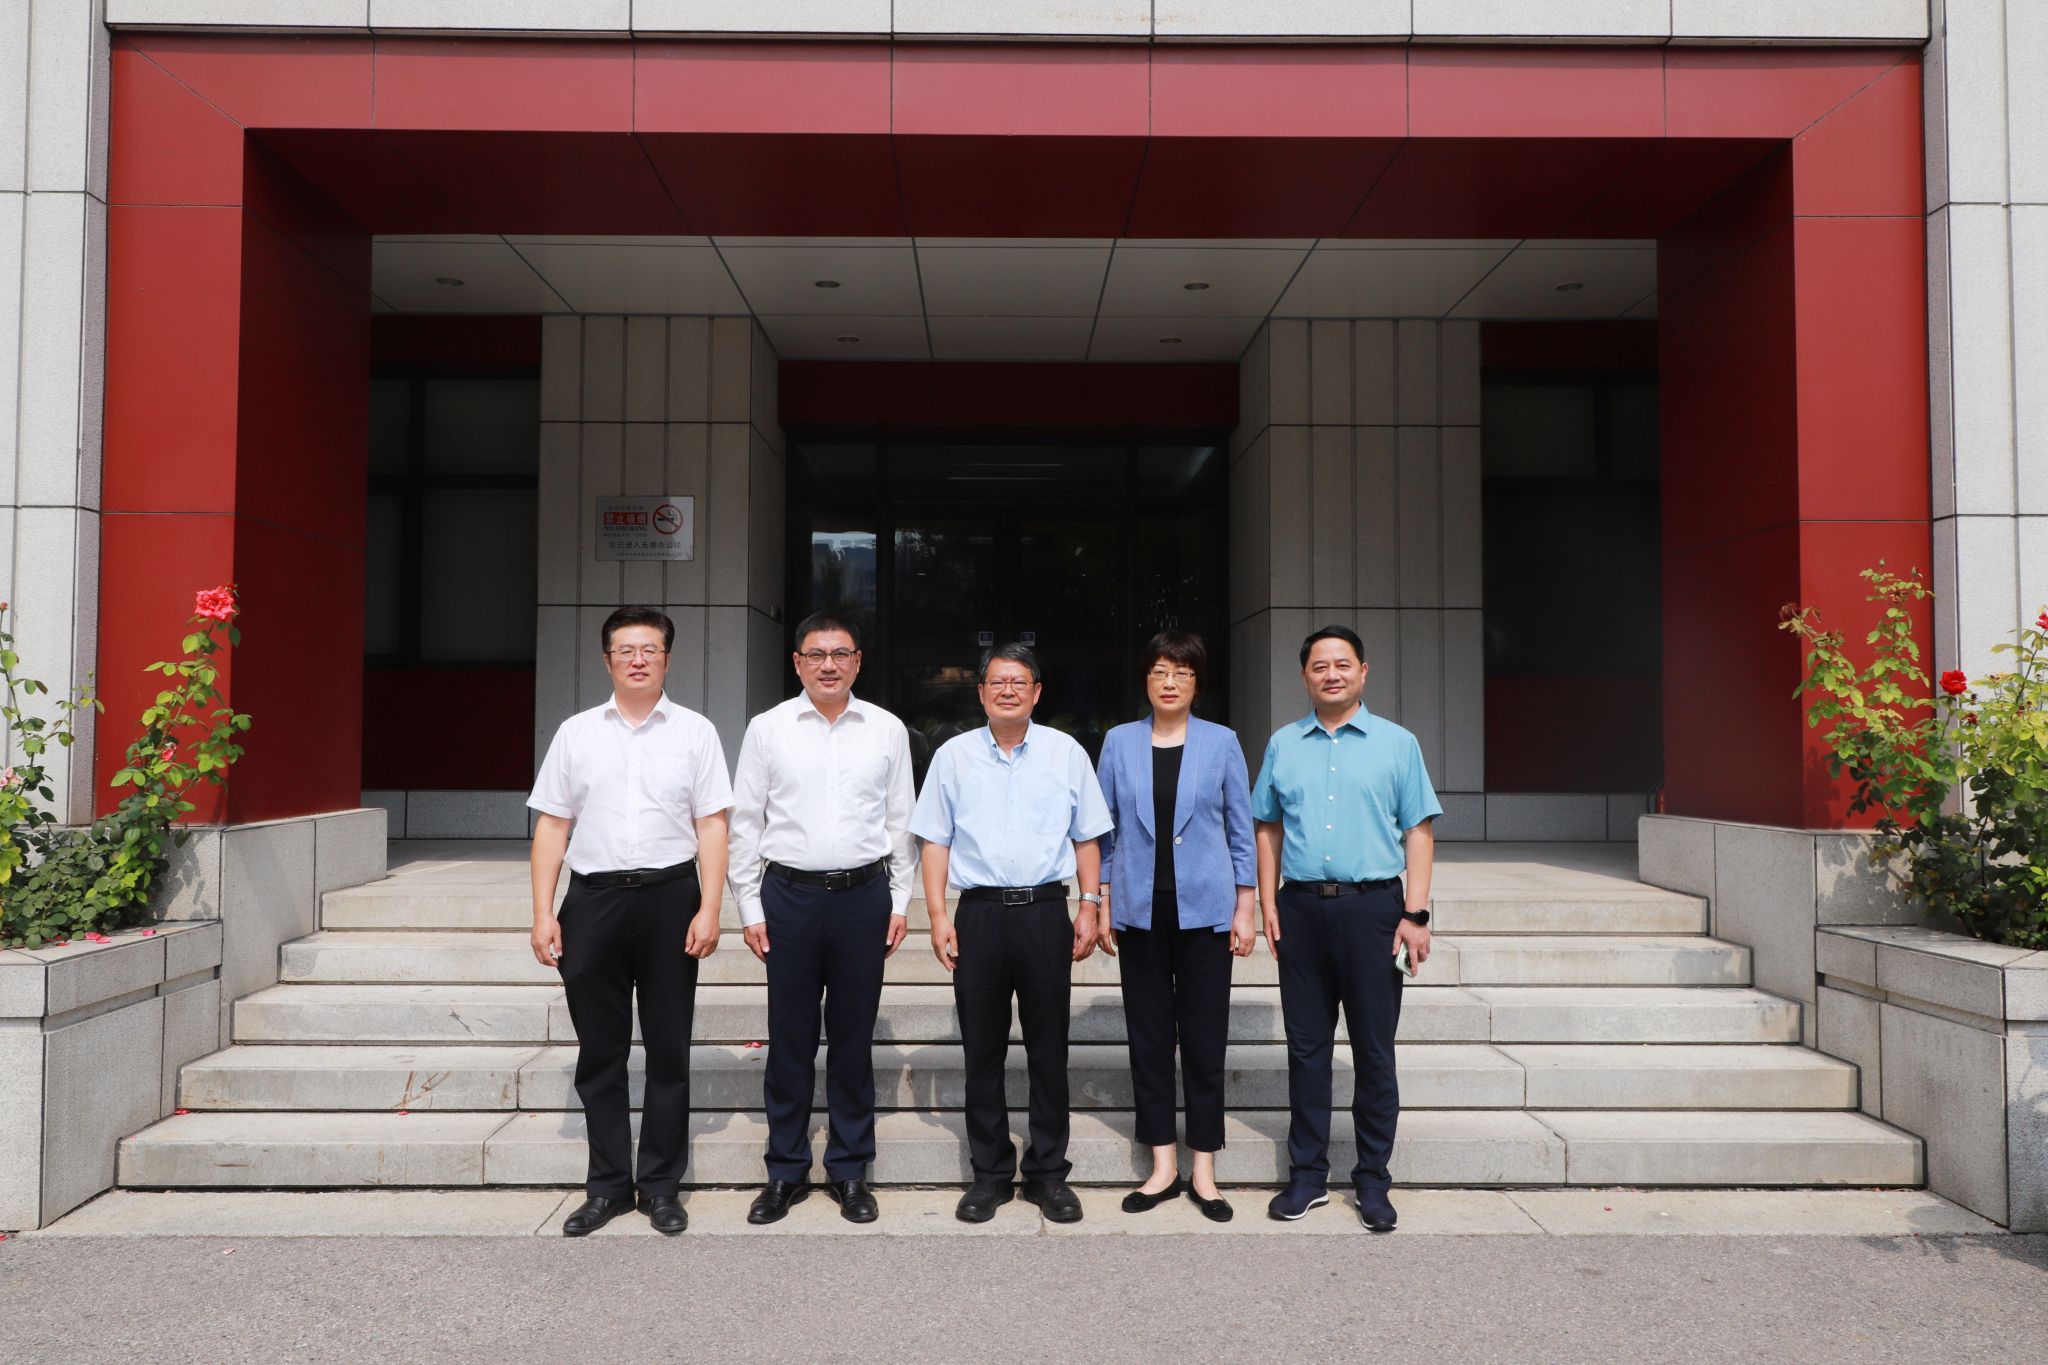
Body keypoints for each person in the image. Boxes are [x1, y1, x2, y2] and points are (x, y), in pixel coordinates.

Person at [527, 607, 732, 1237]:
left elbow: (712, 825)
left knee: (669, 1048)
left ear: (667, 658)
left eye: (649, 649)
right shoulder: (577, 733)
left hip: (671, 898)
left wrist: (710, 907)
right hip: (593, 902)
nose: (638, 659)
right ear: (607, 660)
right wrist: (542, 912)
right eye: (625, 650)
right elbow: (553, 825)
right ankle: (608, 1186)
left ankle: (662, 1186)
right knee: (600, 1052)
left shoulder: (696, 732)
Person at [910, 642, 1113, 1225]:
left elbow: (1087, 837)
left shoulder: (1065, 752)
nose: (1007, 690)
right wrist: (938, 915)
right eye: (997, 681)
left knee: (1049, 1048)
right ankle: (991, 1174)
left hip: (1045, 911)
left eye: (1019, 681)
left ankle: (1049, 1173)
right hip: (978, 914)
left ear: (1036, 692)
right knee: (983, 1050)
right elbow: (934, 840)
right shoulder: (952, 756)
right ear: (980, 692)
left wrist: (1089, 905)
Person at [1251, 624, 1440, 1232]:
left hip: (1373, 911)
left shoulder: (1397, 744)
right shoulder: (1284, 744)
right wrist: (1267, 901)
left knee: (1373, 1051)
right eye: (1319, 666)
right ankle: (1307, 1175)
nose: (1331, 674)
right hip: (1301, 910)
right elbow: (1267, 826)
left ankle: (1373, 1180)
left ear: (1363, 671)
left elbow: (1418, 831)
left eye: (1342, 664)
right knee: (1306, 1050)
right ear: (1304, 676)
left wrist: (1416, 914)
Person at [729, 613, 915, 1226]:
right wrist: (749, 905)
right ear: (797, 662)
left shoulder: (886, 729)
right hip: (789, 897)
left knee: (853, 1040)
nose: (828, 665)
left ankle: (850, 1169)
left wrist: (900, 900)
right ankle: (785, 1170)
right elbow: (745, 823)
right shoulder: (768, 728)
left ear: (858, 661)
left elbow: (900, 822)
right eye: (816, 654)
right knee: (790, 1040)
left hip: (863, 897)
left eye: (840, 654)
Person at [1094, 631, 1257, 1222]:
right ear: (1146, 679)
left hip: (1206, 911)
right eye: (1160, 671)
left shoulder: (1222, 742)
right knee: (1150, 1040)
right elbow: (1104, 830)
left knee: (1205, 1042)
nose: (1170, 682)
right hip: (1140, 911)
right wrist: (1102, 899)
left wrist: (1246, 905)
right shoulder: (1119, 742)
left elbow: (1240, 828)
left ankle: (1204, 1171)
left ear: (1196, 683)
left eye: (1182, 673)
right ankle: (1163, 1166)